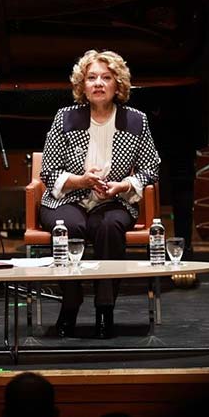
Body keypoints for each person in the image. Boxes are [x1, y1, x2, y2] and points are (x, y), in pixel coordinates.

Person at [39, 50, 160, 339]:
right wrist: (81, 180)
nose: (98, 83)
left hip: (113, 200)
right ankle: (70, 302)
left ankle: (105, 307)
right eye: (91, 77)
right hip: (66, 199)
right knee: (69, 226)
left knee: (108, 227)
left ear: (118, 85)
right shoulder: (65, 117)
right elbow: (48, 171)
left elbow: (150, 167)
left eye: (106, 78)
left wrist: (124, 185)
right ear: (82, 85)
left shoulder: (136, 120)